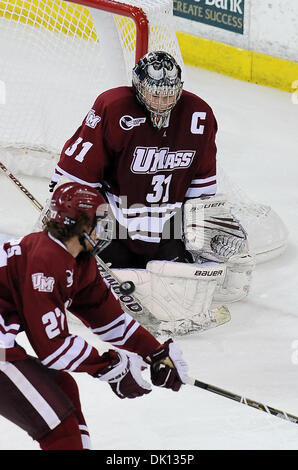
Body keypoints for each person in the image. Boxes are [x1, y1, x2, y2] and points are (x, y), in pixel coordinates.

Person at [0, 182, 188, 450]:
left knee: (62, 388)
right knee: (57, 426)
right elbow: (53, 348)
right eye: (99, 223)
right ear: (78, 225)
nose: (104, 231)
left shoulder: (78, 261)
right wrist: (111, 367)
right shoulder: (45, 260)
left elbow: (109, 319)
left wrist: (155, 352)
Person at [49, 50, 218, 269]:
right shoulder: (114, 108)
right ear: (138, 86)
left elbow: (202, 192)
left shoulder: (199, 115)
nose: (162, 103)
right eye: (155, 95)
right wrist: (67, 216)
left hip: (169, 232)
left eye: (168, 95)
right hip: (113, 231)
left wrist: (200, 236)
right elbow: (77, 177)